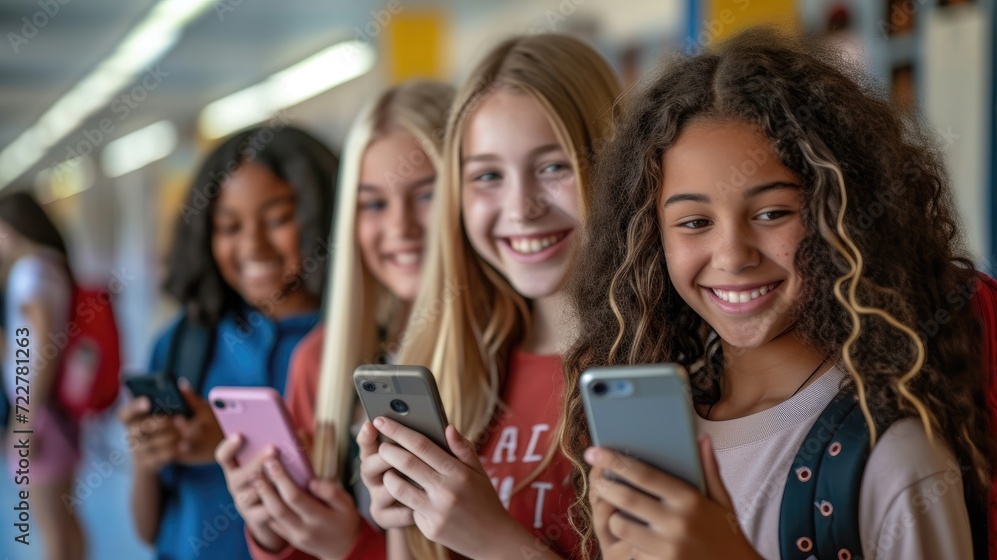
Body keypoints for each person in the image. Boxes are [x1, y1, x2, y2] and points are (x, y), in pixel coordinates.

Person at [560, 28, 993, 559]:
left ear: (842, 220)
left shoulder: (893, 459)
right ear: (653, 242)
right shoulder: (660, 444)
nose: (732, 255)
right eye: (694, 221)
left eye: (772, 213)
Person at [356, 34, 622, 560]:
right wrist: (401, 524)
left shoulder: (658, 367)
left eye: (553, 166)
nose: (521, 207)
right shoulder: (447, 364)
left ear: (614, 164)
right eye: (488, 176)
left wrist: (495, 542)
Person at [215, 80, 454, 560]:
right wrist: (272, 528)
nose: (400, 228)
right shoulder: (321, 361)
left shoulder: (508, 352)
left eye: (426, 195)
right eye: (374, 204)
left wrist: (352, 547)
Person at [119, 126, 337, 560]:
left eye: (277, 219)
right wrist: (149, 459)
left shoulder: (353, 345)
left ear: (324, 216)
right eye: (228, 226)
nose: (252, 245)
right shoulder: (183, 341)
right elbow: (149, 530)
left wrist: (229, 444)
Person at [0, 192, 84, 560]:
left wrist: (25, 420)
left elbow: (44, 345)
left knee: (47, 522)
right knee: (64, 518)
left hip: (37, 408)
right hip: (54, 407)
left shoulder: (30, 271)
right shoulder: (53, 265)